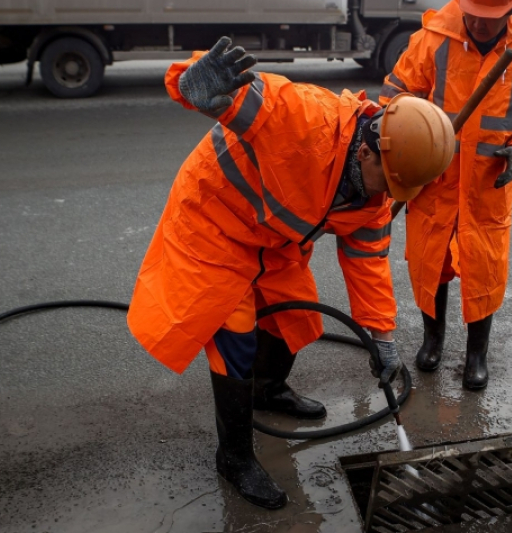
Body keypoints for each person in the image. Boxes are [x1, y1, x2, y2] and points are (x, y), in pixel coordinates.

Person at [127, 37, 454, 509]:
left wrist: (381, 336)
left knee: (291, 323)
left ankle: (269, 390)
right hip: (213, 223)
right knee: (235, 338)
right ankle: (235, 457)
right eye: (393, 181)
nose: (391, 196)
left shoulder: (374, 197)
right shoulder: (304, 118)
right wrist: (189, 81)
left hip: (273, 238)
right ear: (368, 153)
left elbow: (367, 264)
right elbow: (224, 87)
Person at [380, 0, 512, 391]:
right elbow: (394, 99)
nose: (478, 21)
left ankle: (477, 354)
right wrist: (408, 147)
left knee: (484, 269)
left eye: (489, 15)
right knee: (429, 263)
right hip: (433, 180)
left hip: (485, 186)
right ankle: (433, 340)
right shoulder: (431, 41)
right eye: (472, 11)